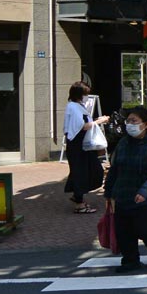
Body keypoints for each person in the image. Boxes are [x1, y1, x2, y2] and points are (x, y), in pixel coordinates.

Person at [104, 106, 147, 273]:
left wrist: (145, 190)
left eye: (134, 121)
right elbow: (114, 168)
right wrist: (108, 193)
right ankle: (130, 260)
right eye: (128, 121)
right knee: (123, 228)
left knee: (142, 227)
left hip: (144, 196)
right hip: (123, 193)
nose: (129, 124)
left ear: (146, 124)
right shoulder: (123, 143)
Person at [62, 81, 109, 214]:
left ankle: (78, 196)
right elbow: (83, 126)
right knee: (81, 172)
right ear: (78, 94)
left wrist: (95, 120)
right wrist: (100, 121)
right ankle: (79, 203)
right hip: (77, 145)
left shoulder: (77, 106)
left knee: (87, 170)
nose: (87, 97)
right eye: (85, 94)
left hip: (82, 145)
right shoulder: (73, 107)